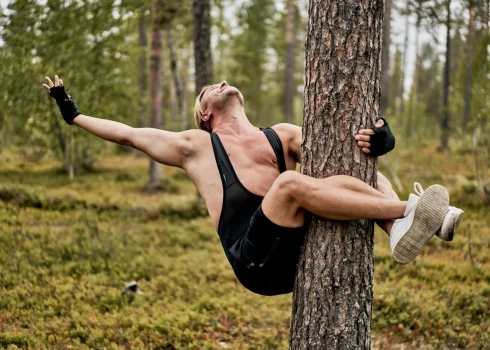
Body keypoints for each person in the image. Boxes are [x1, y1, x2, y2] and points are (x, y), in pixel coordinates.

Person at [42, 76, 464, 296]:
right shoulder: (196, 147)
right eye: (210, 88)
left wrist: (381, 139)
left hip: (299, 250)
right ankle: (411, 211)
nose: (220, 82)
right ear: (205, 111)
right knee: (288, 185)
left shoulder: (281, 134)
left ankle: (403, 229)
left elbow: (345, 149)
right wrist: (71, 111)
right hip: (256, 263)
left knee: (357, 173)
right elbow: (128, 134)